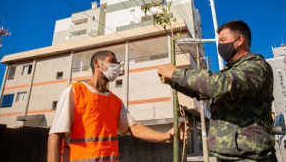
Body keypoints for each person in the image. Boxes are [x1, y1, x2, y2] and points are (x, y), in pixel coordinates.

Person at [157, 20, 277, 161]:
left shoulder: (256, 67)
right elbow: (203, 91)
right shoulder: (232, 70)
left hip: (250, 158)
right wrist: (174, 81)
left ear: (239, 40)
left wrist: (176, 73)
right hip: (228, 156)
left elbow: (222, 84)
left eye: (223, 40)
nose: (220, 45)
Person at [47, 50, 187, 162]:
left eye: (118, 63)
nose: (116, 66)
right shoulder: (75, 91)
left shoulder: (115, 101)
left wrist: (165, 136)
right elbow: (56, 135)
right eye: (112, 62)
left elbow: (134, 127)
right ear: (97, 63)